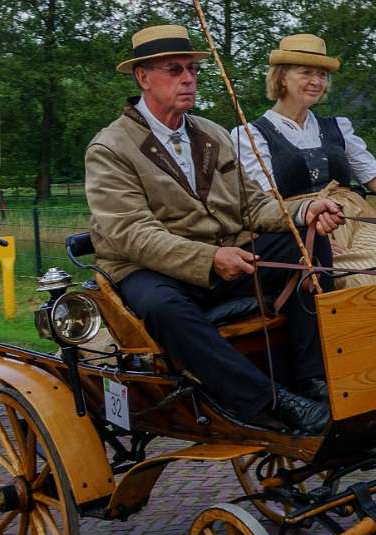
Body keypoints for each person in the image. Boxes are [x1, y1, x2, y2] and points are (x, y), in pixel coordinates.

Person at [85, 24, 347, 435]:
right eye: (175, 70)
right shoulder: (110, 148)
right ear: (143, 77)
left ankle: (313, 379)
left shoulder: (212, 134)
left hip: (228, 257)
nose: (188, 79)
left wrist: (304, 211)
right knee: (163, 308)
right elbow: (131, 233)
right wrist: (209, 258)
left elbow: (253, 205)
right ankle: (272, 403)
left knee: (308, 247)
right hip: (152, 270)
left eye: (192, 69)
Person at [231, 33, 376, 287]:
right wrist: (309, 241)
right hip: (307, 229)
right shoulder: (251, 135)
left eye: (322, 74)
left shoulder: (337, 128)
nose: (316, 81)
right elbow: (265, 204)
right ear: (281, 76)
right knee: (368, 276)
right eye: (306, 73)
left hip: (357, 220)